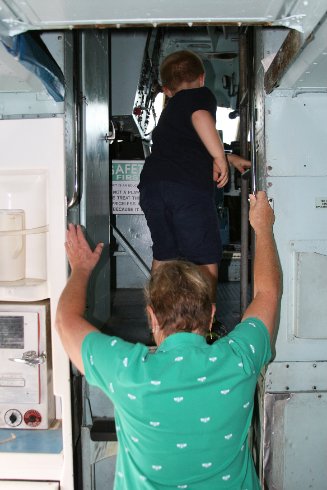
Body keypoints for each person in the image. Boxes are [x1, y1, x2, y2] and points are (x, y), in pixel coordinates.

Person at [56, 191, 281, 489]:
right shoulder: (239, 359)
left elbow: (65, 321)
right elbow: (268, 293)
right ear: (211, 314)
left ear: (152, 317)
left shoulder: (128, 371)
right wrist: (263, 227)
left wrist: (81, 268)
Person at [138, 49, 250, 305]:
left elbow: (187, 147)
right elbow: (201, 119)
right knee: (205, 258)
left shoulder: (170, 113)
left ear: (166, 90)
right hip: (186, 191)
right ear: (201, 78)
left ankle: (158, 321)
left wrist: (228, 158)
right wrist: (221, 157)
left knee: (164, 256)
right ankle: (207, 325)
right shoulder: (199, 96)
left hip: (152, 189)